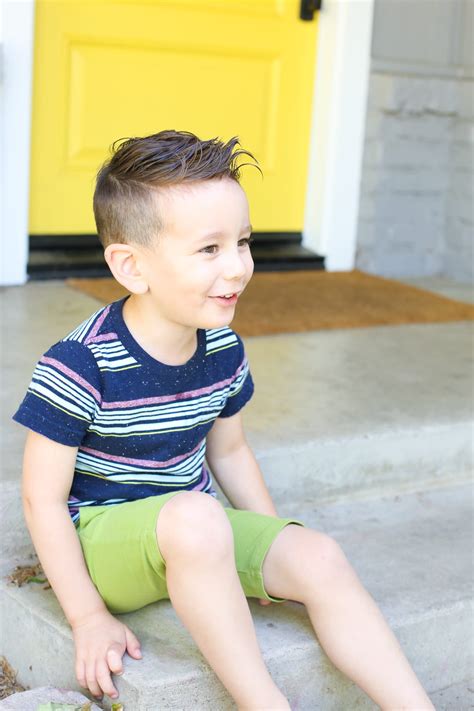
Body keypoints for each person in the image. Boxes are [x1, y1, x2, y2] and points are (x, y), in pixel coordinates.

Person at [14, 130, 434, 710]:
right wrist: (86, 615)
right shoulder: (80, 362)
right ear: (131, 267)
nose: (237, 267)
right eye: (209, 250)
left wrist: (269, 542)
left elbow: (229, 452)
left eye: (243, 242)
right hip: (110, 546)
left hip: (198, 533)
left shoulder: (223, 348)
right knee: (196, 516)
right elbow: (41, 499)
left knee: (318, 555)